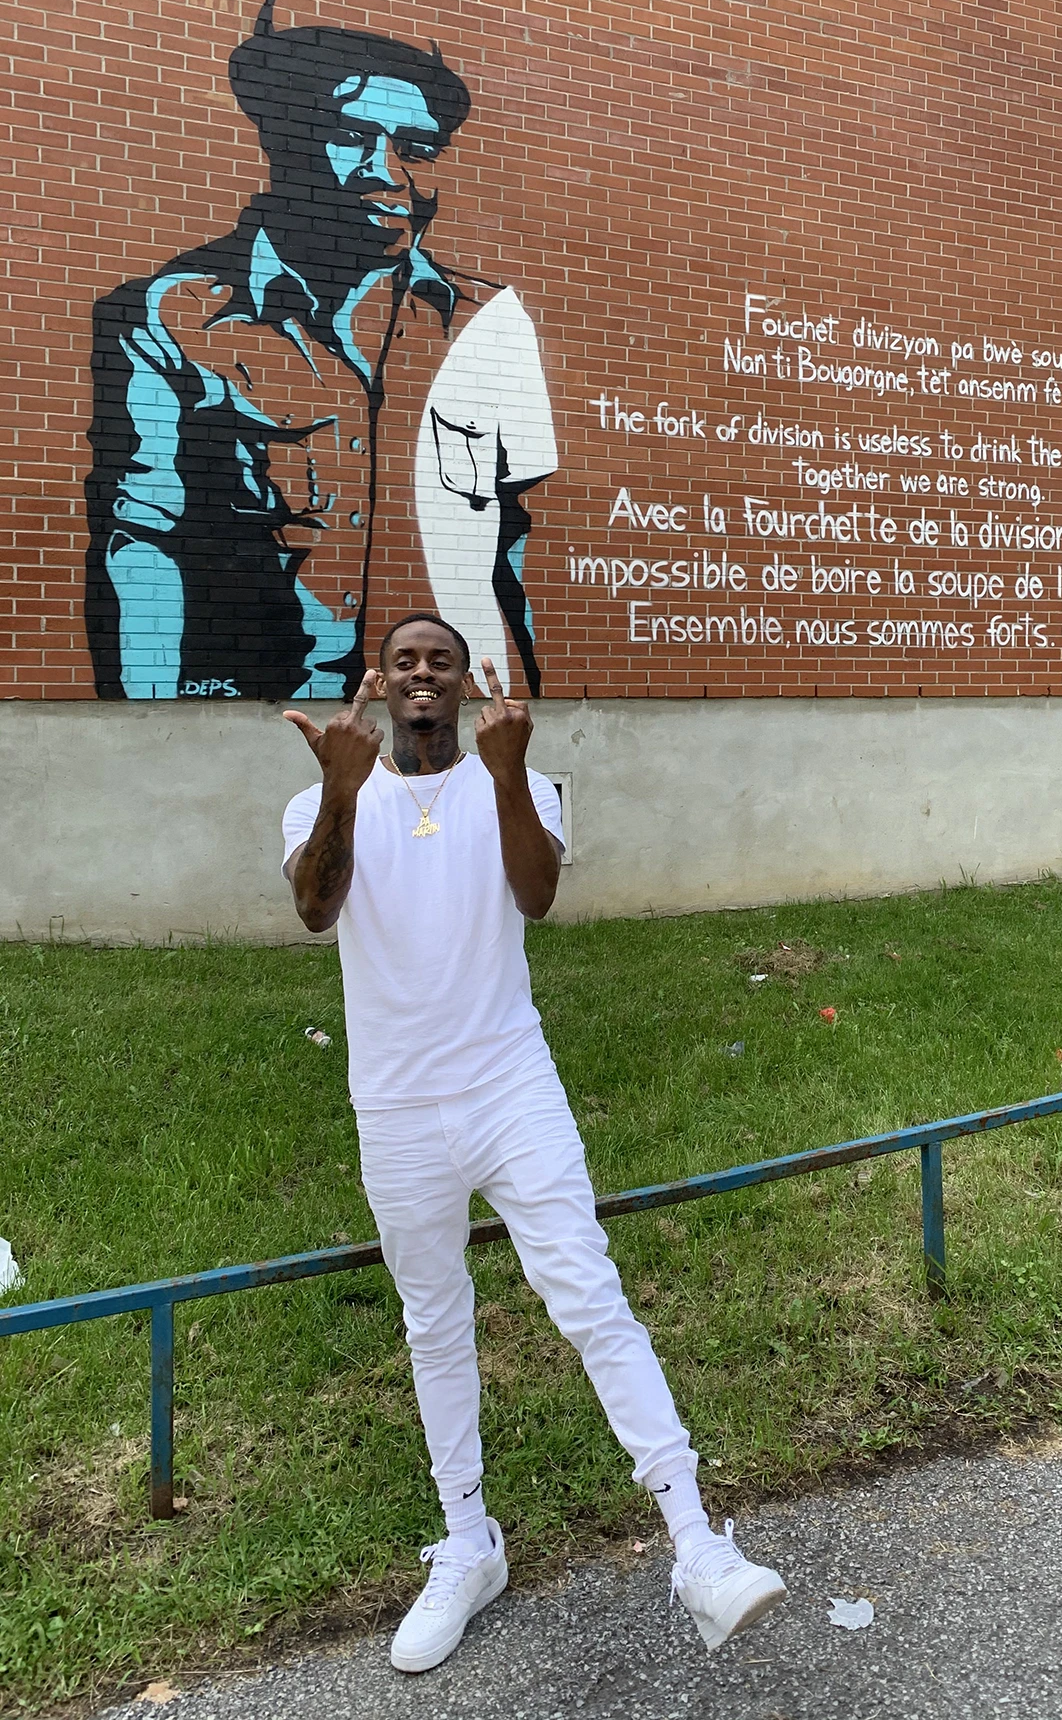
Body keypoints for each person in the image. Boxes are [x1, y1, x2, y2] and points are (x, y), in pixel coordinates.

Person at [280, 612, 786, 1671]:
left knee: (588, 1295)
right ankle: (468, 1545)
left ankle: (697, 1543)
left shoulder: (515, 782)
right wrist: (341, 788)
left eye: (442, 660)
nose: (424, 673)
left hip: (512, 1089)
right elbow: (316, 908)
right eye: (406, 661)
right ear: (381, 680)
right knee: (434, 1322)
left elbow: (538, 895)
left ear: (465, 682)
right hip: (397, 1108)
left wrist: (509, 772)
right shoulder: (328, 791)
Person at [86, 0, 556, 703]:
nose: (386, 173)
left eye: (417, 150)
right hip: (260, 711)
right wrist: (150, 723)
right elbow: (144, 541)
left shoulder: (486, 322)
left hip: (441, 718)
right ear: (282, 138)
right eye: (350, 137)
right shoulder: (169, 314)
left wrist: (517, 710)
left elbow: (514, 544)